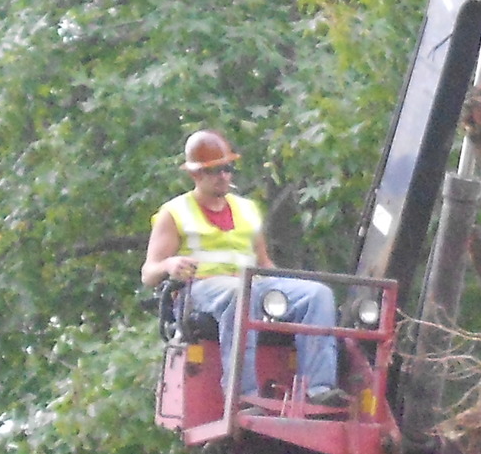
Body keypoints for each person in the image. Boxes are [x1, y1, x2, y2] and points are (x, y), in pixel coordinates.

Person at [142, 129, 347, 406]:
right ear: (195, 175)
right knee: (240, 294)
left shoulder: (248, 210)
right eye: (214, 171)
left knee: (317, 295)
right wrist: (170, 263)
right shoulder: (175, 212)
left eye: (227, 169)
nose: (224, 176)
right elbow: (149, 273)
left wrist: (286, 293)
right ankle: (243, 393)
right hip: (201, 290)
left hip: (252, 284)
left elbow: (265, 265)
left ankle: (319, 389)